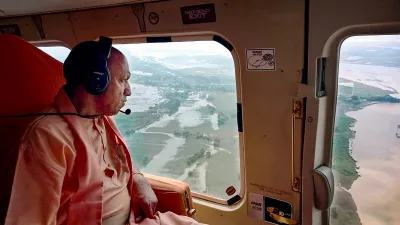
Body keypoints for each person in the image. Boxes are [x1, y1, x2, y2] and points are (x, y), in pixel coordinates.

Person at [5, 37, 206, 225]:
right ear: (97, 81)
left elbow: (117, 158)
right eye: (123, 80)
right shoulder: (46, 137)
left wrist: (138, 179)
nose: (129, 90)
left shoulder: (100, 119)